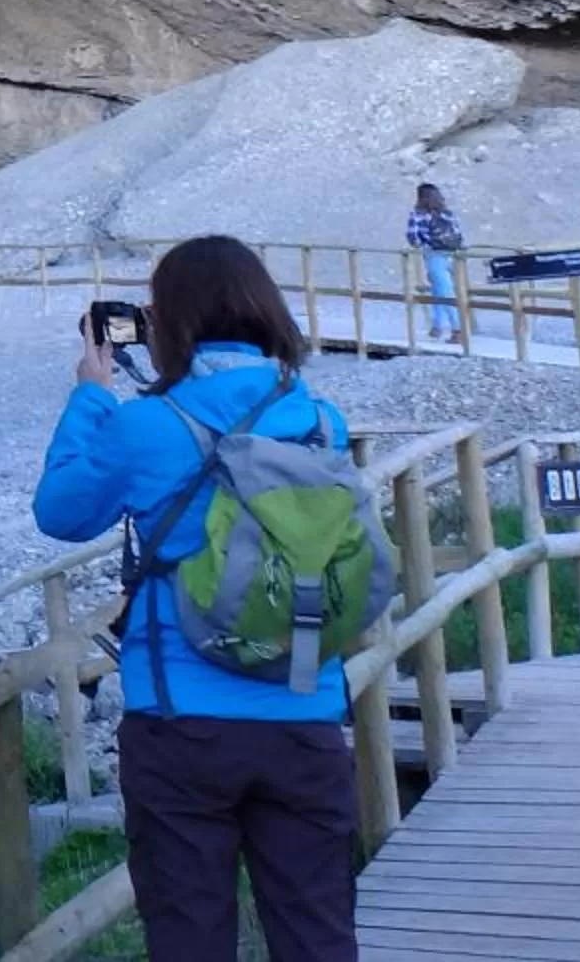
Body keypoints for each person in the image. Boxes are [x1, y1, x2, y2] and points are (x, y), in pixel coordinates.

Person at [33, 236, 359, 962]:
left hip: (182, 723)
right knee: (318, 935)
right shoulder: (321, 422)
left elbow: (60, 511)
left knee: (190, 939)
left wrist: (92, 392)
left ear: (170, 320)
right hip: (304, 707)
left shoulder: (145, 425)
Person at [407, 183, 465, 344]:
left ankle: (458, 330)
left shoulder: (417, 214)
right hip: (452, 255)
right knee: (440, 288)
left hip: (434, 254)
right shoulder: (447, 213)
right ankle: (437, 325)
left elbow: (413, 238)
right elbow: (459, 234)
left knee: (444, 290)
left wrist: (423, 245)